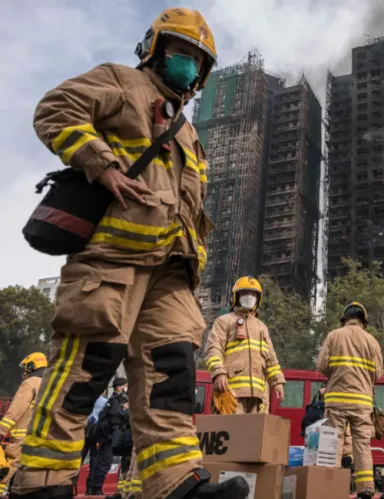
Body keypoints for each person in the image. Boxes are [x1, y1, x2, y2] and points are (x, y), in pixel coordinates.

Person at [13, 7, 252, 499]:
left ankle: (174, 482)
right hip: (112, 261)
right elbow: (55, 109)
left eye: (197, 60)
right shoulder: (120, 82)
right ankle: (41, 484)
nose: (188, 65)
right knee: (85, 372)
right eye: (180, 52)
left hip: (172, 272)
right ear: (156, 49)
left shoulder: (187, 131)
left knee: (172, 378)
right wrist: (101, 165)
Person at [317, 302, 383, 499]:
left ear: (344, 319)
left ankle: (332, 488)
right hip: (362, 403)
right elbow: (378, 373)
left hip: (336, 400)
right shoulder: (372, 341)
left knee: (334, 443)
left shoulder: (334, 336)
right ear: (363, 321)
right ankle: (366, 489)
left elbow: (321, 365)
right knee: (362, 445)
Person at [204, 276, 286, 414]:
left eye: (253, 294)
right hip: (231, 392)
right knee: (232, 433)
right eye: (244, 293)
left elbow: (271, 359)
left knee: (255, 434)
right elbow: (213, 349)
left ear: (258, 299)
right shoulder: (224, 321)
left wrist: (277, 382)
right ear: (237, 297)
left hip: (258, 396)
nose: (249, 297)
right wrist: (218, 373)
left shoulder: (262, 328)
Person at [0, 353, 47, 497]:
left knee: (10, 465)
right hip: (42, 436)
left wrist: (1, 429)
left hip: (23, 435)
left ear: (32, 366)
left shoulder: (30, 383)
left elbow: (16, 409)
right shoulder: (48, 385)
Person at [86, 378, 128, 495]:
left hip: (103, 436)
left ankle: (93, 488)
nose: (126, 388)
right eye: (125, 386)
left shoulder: (111, 400)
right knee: (106, 463)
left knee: (99, 462)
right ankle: (97, 488)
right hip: (109, 437)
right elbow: (115, 419)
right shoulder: (115, 401)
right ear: (119, 387)